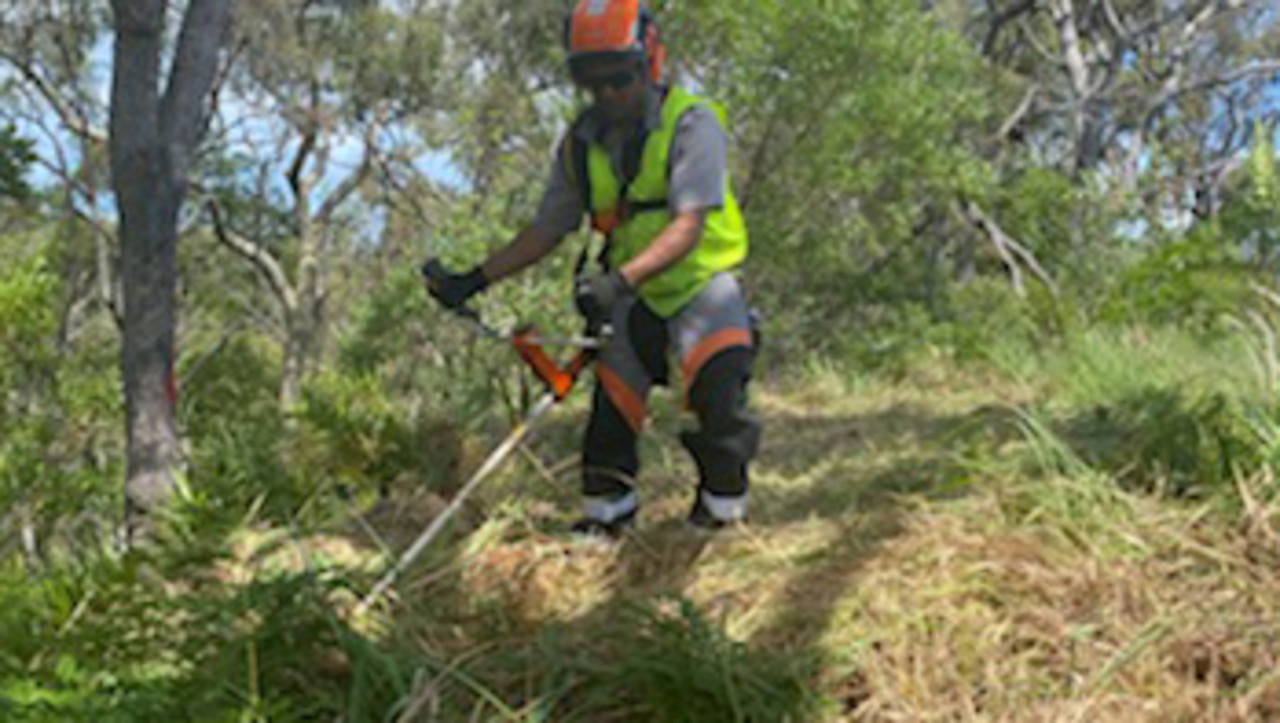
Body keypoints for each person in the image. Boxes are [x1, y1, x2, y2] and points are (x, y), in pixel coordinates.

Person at [425, 0, 759, 538]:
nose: (606, 94)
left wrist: (618, 281)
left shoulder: (692, 124)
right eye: (591, 82)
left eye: (619, 79)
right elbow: (545, 231)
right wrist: (473, 279)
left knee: (718, 396)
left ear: (648, 64)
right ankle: (608, 517)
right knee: (612, 408)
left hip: (700, 284)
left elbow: (688, 226)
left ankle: (721, 513)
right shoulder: (581, 144)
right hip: (630, 296)